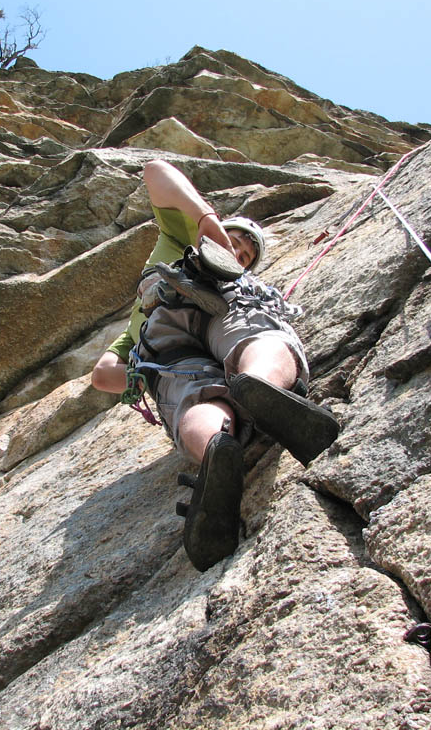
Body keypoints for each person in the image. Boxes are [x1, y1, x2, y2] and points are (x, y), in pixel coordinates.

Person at [92, 159, 339, 571]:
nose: (238, 252)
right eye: (237, 242)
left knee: (190, 394)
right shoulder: (182, 235)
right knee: (256, 335)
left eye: (244, 255)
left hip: (165, 335)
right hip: (209, 294)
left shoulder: (140, 328)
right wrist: (206, 219)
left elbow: (105, 376)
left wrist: (141, 376)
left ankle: (215, 447)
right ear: (221, 232)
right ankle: (262, 386)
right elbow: (155, 171)